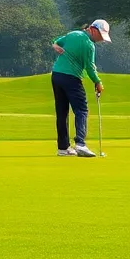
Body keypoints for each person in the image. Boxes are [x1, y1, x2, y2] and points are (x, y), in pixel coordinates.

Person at [49, 19, 110, 157]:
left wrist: (55, 46)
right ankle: (80, 144)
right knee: (81, 109)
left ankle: (63, 148)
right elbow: (89, 67)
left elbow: (57, 41)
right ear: (93, 30)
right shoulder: (89, 45)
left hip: (56, 75)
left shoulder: (73, 34)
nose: (101, 39)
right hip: (71, 77)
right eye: (101, 35)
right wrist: (98, 82)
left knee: (62, 112)